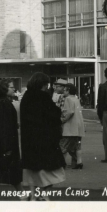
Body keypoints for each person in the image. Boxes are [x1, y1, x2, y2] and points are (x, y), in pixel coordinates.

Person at [20, 72, 66, 200]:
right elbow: (54, 115)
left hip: (29, 141)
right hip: (45, 141)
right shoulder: (43, 97)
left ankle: (34, 196)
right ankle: (42, 195)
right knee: (49, 171)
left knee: (32, 172)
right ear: (42, 84)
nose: (48, 87)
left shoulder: (26, 97)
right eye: (46, 84)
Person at [60, 83, 85, 169]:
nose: (63, 91)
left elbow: (70, 112)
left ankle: (62, 163)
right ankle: (79, 162)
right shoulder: (76, 99)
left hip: (70, 126)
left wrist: (63, 120)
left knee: (63, 145)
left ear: (68, 90)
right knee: (77, 145)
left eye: (65, 90)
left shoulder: (68, 99)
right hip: (79, 126)